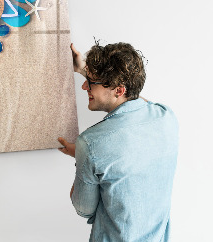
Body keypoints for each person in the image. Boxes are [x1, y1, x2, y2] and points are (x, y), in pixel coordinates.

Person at [58, 42, 179, 241]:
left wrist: (82, 156)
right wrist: (83, 70)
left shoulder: (90, 143)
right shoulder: (166, 117)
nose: (83, 86)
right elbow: (135, 102)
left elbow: (83, 209)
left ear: (119, 90)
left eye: (91, 82)